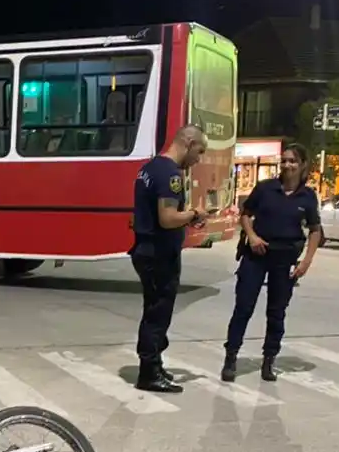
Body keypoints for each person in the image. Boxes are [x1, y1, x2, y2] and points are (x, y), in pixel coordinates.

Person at [220, 142, 322, 383]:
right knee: (243, 307)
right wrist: (252, 236)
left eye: (293, 161)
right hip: (256, 255)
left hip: (284, 259)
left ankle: (269, 360)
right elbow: (245, 215)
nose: (287, 165)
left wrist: (306, 262)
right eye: (284, 160)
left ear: (302, 165)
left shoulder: (308, 197)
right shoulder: (265, 188)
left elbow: (315, 230)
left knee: (276, 312)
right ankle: (231, 358)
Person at [130, 124, 209, 393]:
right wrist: (195, 214)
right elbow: (167, 218)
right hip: (159, 255)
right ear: (187, 143)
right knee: (157, 313)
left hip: (146, 250)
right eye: (199, 151)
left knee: (155, 309)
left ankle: (154, 364)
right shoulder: (170, 175)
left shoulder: (149, 168)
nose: (198, 159)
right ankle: (149, 373)